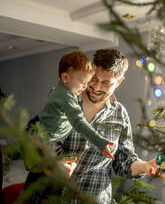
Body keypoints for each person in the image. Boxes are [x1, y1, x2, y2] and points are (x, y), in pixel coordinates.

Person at [59, 49, 164, 204]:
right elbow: (35, 141)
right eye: (93, 78)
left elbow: (124, 161)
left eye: (106, 82)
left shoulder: (120, 115)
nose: (96, 87)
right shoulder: (64, 101)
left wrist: (144, 166)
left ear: (119, 82)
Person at [24, 50, 114, 203]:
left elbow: (52, 94)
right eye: (82, 83)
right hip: (47, 140)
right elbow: (79, 122)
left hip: (50, 138)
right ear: (65, 77)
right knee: (51, 181)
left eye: (87, 83)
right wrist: (100, 142)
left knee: (41, 177)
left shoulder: (60, 89)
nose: (85, 87)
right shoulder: (66, 97)